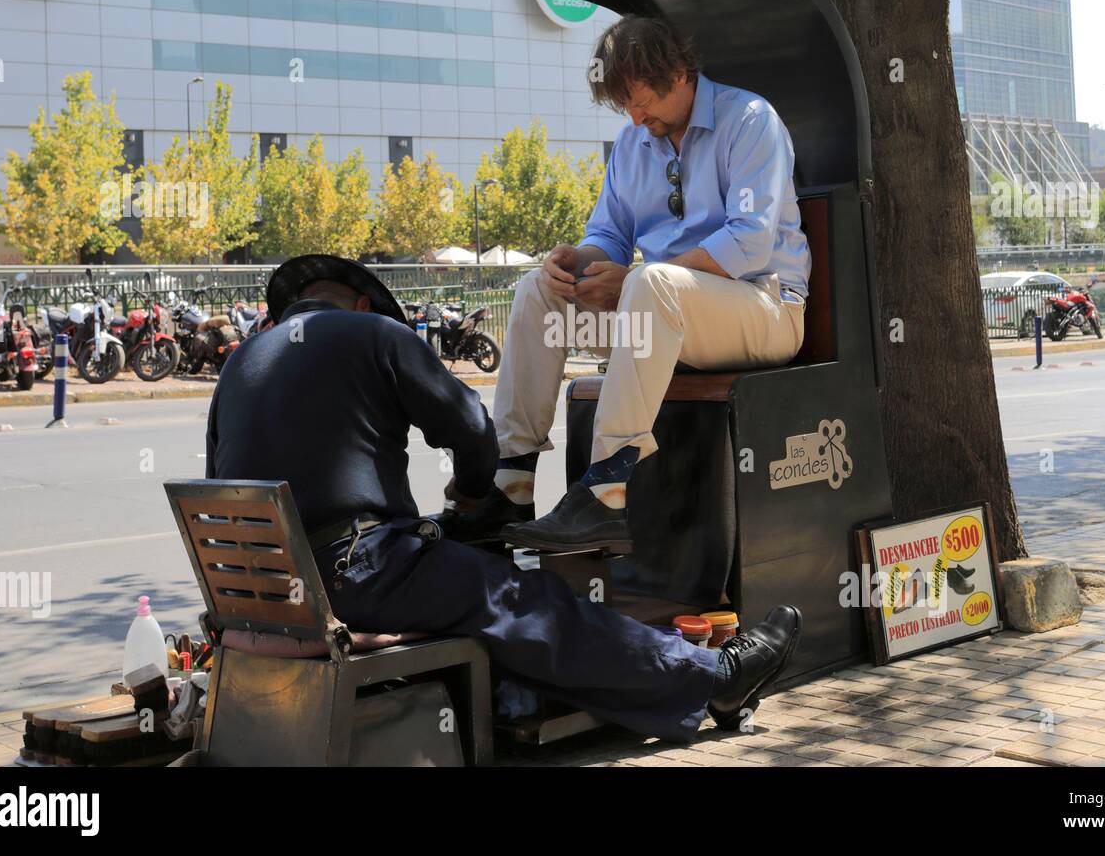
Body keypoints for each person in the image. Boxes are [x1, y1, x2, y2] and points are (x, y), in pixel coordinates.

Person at [204, 254, 802, 742]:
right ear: (363, 304)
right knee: (525, 602)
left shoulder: (238, 366)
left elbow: (221, 487)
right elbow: (473, 431)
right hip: (355, 575)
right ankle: (710, 677)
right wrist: (471, 495)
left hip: (252, 590)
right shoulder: (374, 333)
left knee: (465, 584)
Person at [437, 15, 811, 553]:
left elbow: (749, 243)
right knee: (536, 291)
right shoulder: (634, 141)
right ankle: (510, 484)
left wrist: (633, 279)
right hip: (662, 314)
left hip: (766, 309)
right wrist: (575, 261)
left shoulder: (750, 119)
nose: (636, 119)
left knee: (652, 283)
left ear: (679, 72)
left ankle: (605, 493)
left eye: (641, 101)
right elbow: (608, 235)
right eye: (624, 107)